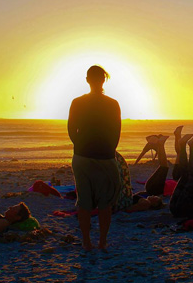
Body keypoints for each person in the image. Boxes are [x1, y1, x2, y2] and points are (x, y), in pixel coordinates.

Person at [67, 65, 122, 251]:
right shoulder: (112, 104)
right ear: (103, 80)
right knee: (105, 203)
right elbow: (116, 131)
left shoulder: (77, 102)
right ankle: (102, 242)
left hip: (82, 156)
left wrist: (81, 145)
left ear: (87, 80)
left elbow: (70, 129)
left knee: (84, 202)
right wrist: (108, 149)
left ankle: (86, 241)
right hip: (104, 157)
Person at [170, 134, 193, 218]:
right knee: (185, 175)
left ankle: (190, 146)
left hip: (186, 208)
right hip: (174, 208)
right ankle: (183, 145)